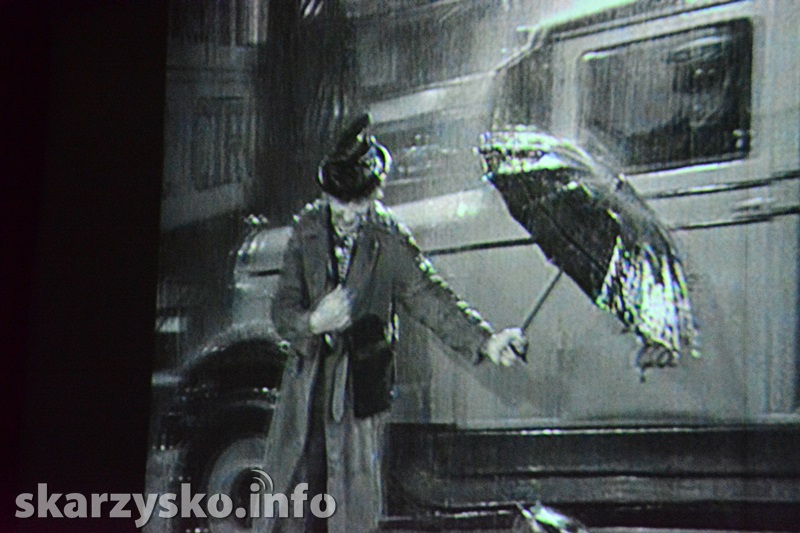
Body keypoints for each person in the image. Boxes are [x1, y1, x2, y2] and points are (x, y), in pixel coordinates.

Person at [259, 114, 527, 533]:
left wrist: (486, 341)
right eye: (340, 202)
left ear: (374, 196)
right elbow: (282, 311)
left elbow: (430, 297)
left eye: (358, 203)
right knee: (294, 507)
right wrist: (313, 322)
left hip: (358, 395)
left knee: (350, 510)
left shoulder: (388, 240)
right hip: (305, 394)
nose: (348, 214)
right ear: (326, 195)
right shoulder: (306, 231)